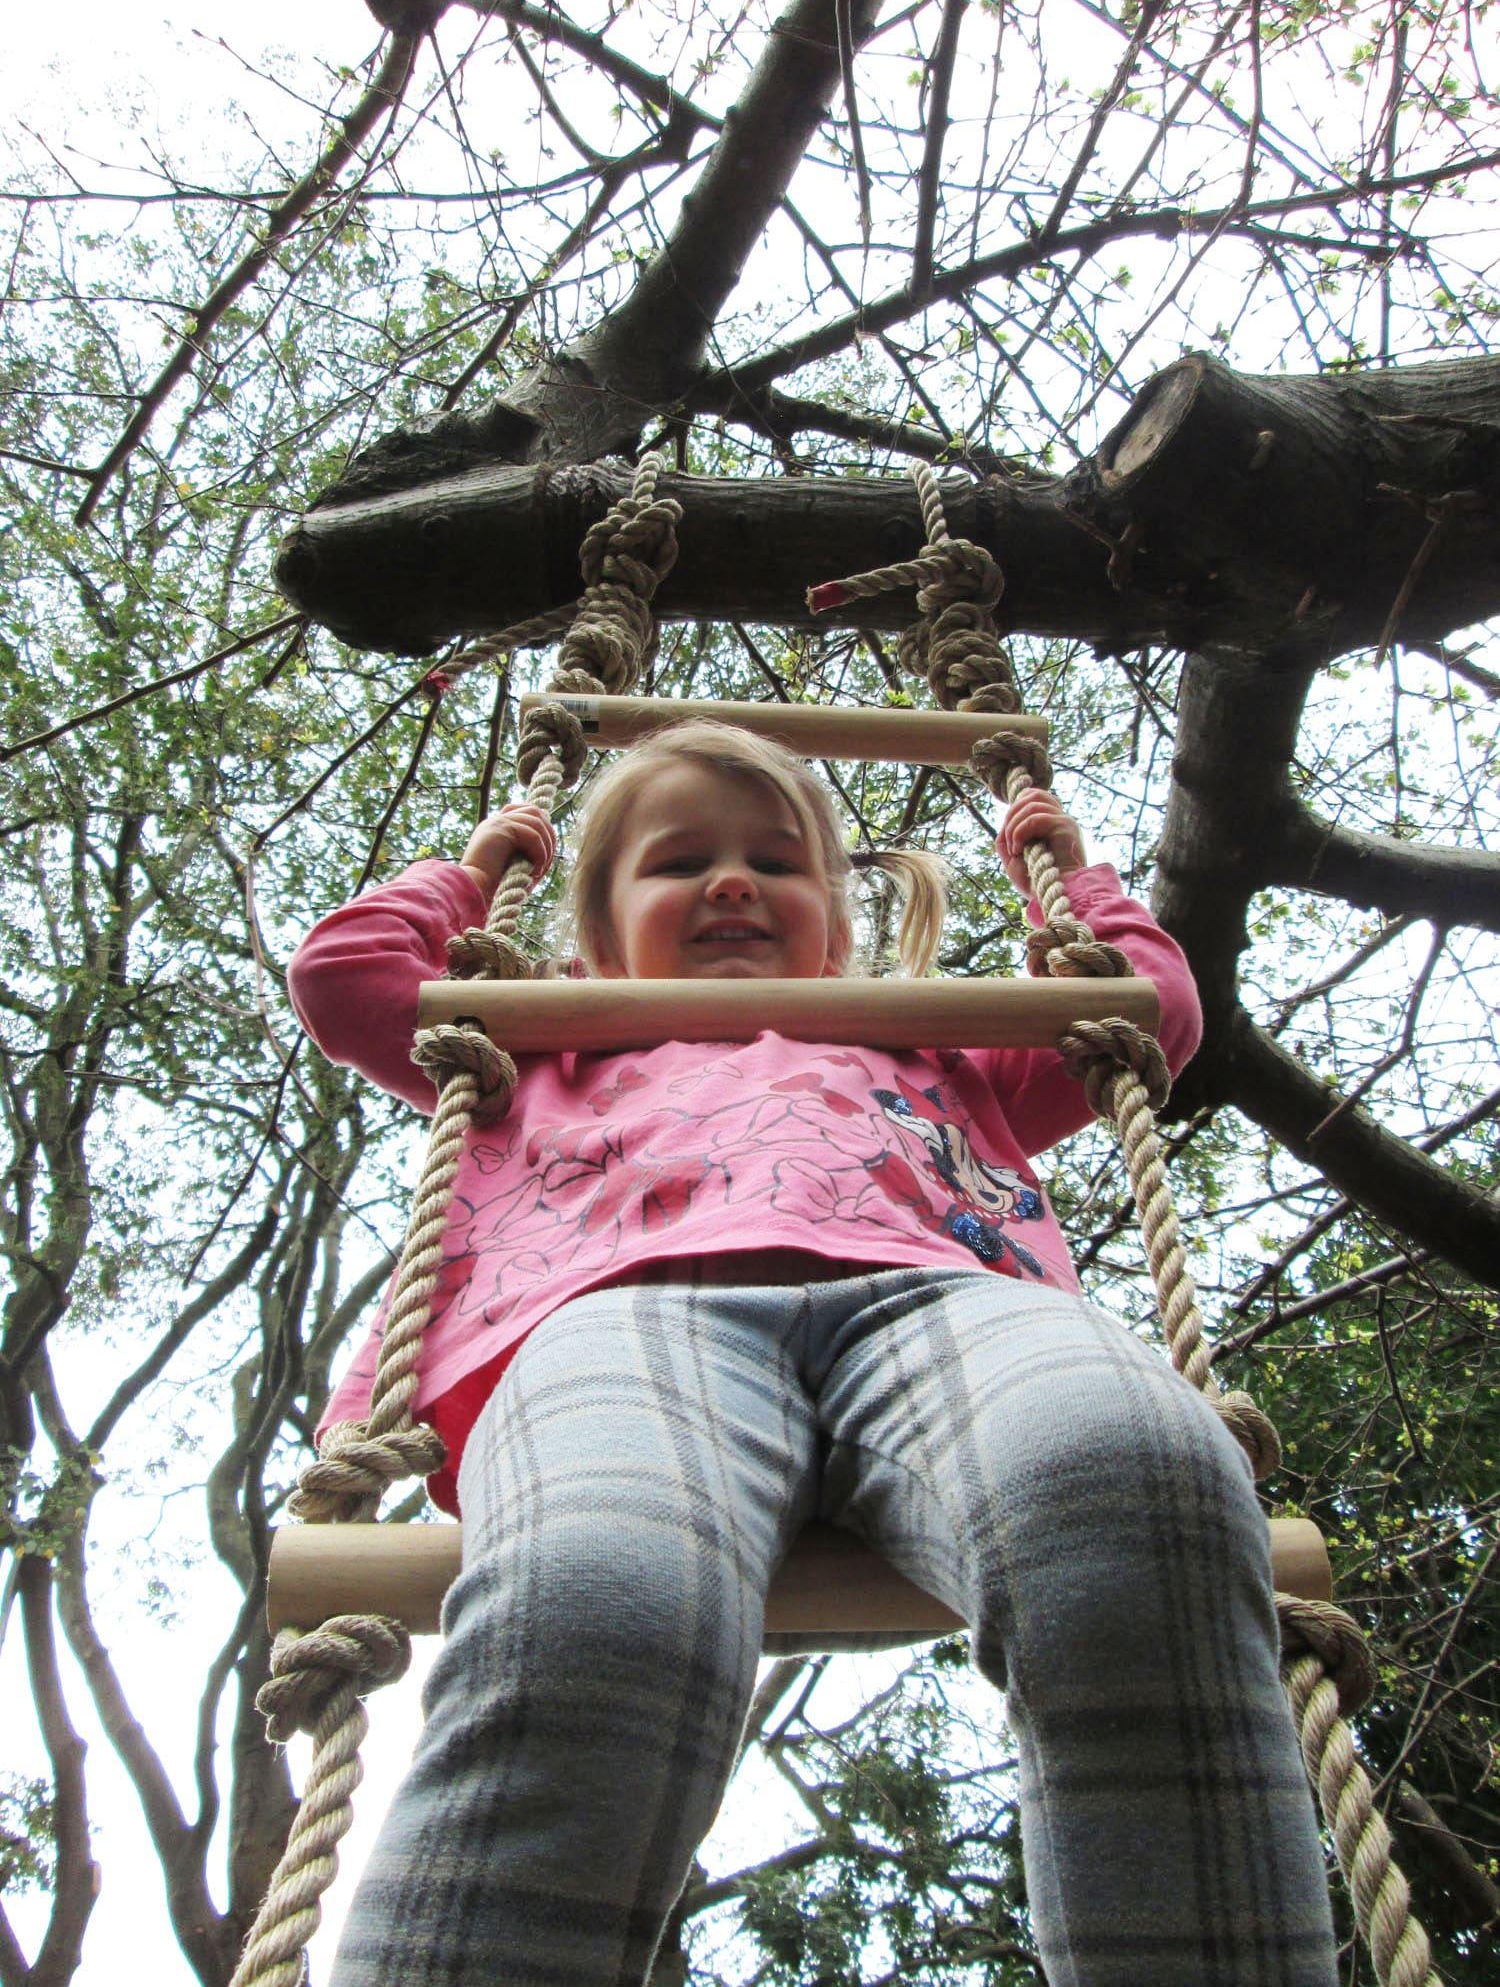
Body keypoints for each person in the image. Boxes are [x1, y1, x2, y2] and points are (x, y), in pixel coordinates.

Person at [288, 719, 1336, 1987]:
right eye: (680, 864)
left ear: (837, 924)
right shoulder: (543, 1043)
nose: (732, 879)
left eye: (777, 862)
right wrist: (477, 868)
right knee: (596, 1592)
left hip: (943, 1302)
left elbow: (1143, 1012)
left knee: (1138, 1475)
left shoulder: (927, 1039)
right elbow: (348, 976)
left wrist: (1063, 869)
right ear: (598, 940)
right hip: (635, 1317)